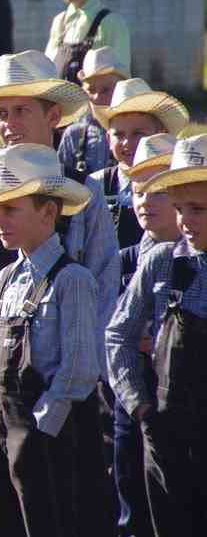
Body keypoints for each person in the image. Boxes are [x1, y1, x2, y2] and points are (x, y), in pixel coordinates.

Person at [0, 49, 119, 536]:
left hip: (66, 362)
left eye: (21, 110)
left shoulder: (84, 194)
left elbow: (104, 281)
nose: (9, 124)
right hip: (1, 359)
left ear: (53, 115)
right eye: (1, 113)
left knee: (64, 497)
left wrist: (84, 372)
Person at [0, 142, 100, 536]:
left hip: (41, 427)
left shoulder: (72, 280)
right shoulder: (5, 278)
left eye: (10, 209)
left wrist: (44, 425)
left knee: (43, 521)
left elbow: (79, 366)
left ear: (48, 212)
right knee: (0, 517)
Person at [106, 133, 207, 537]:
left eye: (198, 209)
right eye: (180, 209)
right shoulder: (162, 262)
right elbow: (119, 335)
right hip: (167, 435)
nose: (185, 221)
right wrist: (140, 407)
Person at [111, 133, 179, 537]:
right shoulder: (124, 261)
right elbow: (112, 331)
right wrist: (136, 405)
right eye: (138, 191)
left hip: (184, 396)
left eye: (158, 192)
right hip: (131, 395)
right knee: (130, 490)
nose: (144, 201)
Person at [91, 78, 189, 250]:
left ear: (162, 132)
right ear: (108, 139)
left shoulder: (180, 181)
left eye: (138, 133)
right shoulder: (95, 186)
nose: (127, 143)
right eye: (119, 135)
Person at [57, 46, 128, 182]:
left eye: (106, 90)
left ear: (121, 88)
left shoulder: (134, 132)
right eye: (91, 90)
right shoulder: (74, 135)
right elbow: (62, 184)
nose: (97, 97)